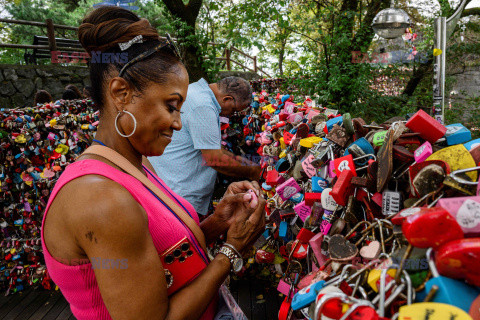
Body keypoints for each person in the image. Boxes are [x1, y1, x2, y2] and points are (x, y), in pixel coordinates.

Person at [41, 6, 265, 320]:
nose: (177, 123)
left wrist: (219, 222)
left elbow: (158, 254)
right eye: (172, 106)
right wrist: (231, 252)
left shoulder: (134, 163)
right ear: (121, 94)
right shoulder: (101, 199)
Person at [149, 76, 262, 216]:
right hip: (180, 195)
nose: (231, 115)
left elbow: (216, 150)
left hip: (172, 186)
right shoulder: (203, 106)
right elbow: (214, 158)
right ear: (227, 99)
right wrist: (252, 171)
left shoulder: (196, 91)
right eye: (233, 110)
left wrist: (250, 164)